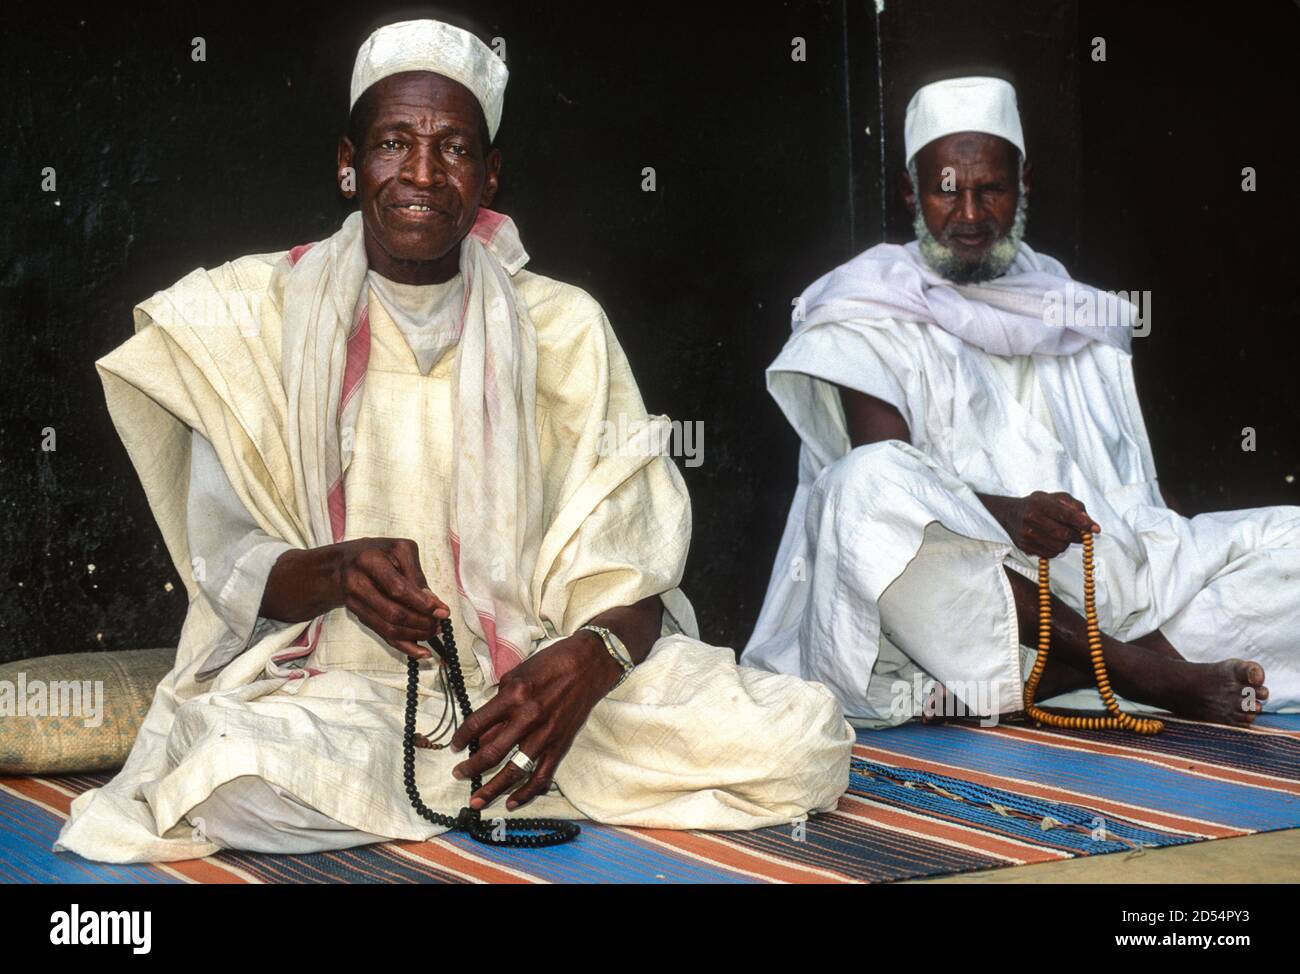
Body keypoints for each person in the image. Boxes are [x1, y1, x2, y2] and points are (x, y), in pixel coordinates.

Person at [56, 18, 852, 863]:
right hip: (347, 690)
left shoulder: (563, 324)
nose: (423, 174)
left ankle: (480, 772)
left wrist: (588, 663)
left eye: (456, 149)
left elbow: (635, 569)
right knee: (231, 776)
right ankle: (484, 783)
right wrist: (338, 572)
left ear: (490, 174)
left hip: (544, 682)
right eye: (394, 143)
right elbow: (231, 568)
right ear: (347, 164)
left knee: (801, 741)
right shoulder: (255, 316)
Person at [743, 76, 1297, 728]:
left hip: (1100, 583)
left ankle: (1084, 671)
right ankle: (1146, 674)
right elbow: (883, 488)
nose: (970, 214)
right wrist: (1006, 515)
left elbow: (1131, 482)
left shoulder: (1068, 305)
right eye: (948, 189)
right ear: (910, 191)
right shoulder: (860, 310)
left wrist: (1185, 547)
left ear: (1024, 184)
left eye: (992, 189)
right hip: (959, 611)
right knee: (862, 486)